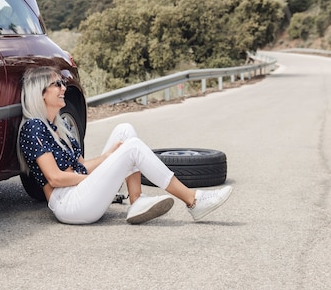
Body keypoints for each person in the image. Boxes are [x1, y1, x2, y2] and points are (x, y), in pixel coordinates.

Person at [17, 66, 233, 225]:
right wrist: (104, 177)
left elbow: (81, 165)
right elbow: (55, 178)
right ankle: (193, 200)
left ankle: (136, 201)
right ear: (41, 93)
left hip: (82, 192)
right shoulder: (34, 127)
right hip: (69, 204)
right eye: (57, 84)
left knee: (125, 130)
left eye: (62, 83)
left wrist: (109, 157)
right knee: (133, 147)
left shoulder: (61, 126)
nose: (64, 88)